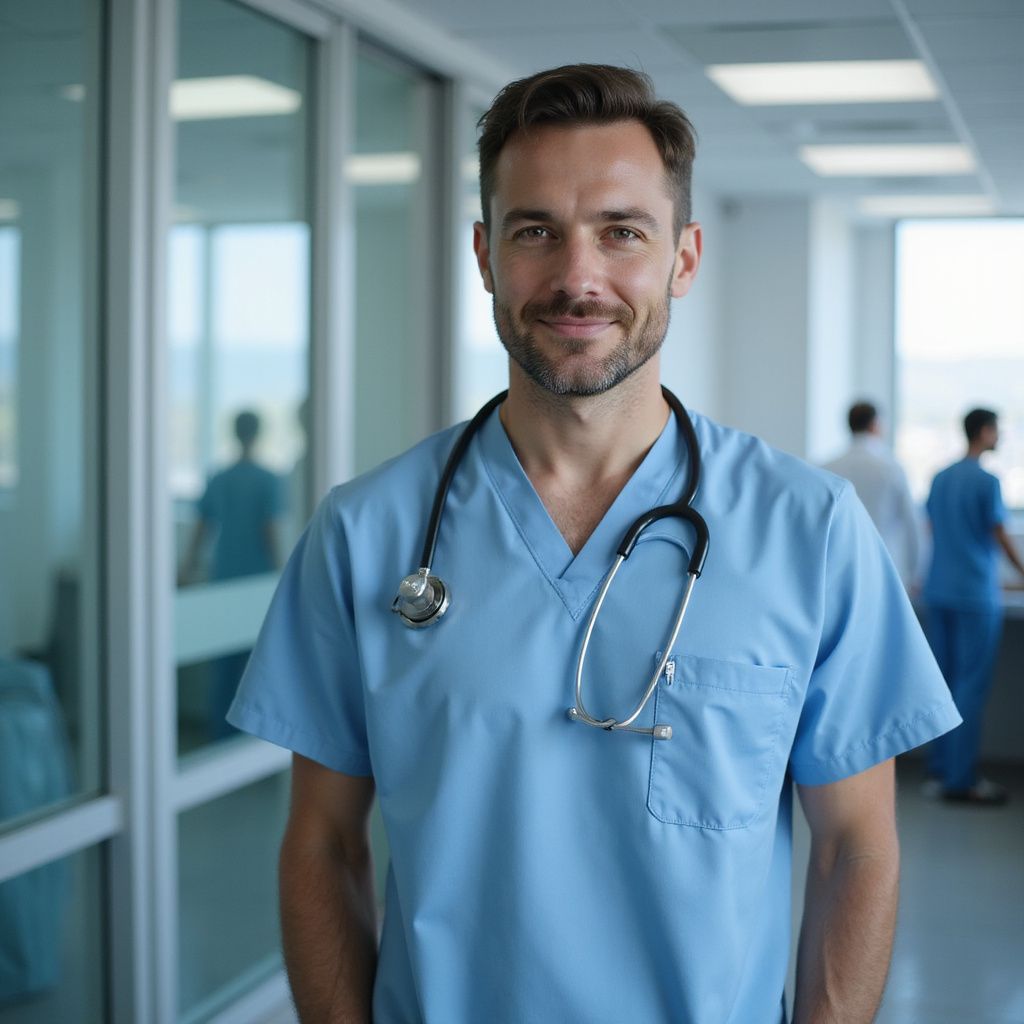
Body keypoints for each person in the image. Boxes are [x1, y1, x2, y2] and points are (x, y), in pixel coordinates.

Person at [227, 65, 960, 1023]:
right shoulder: (366, 535)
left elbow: (855, 847)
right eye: (537, 232)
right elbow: (322, 844)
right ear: (486, 255)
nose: (579, 278)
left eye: (622, 231)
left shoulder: (810, 533)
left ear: (684, 258)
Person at [924, 408, 1024, 805]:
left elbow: (933, 528)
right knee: (970, 685)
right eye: (997, 430)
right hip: (975, 596)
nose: (999, 436)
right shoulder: (987, 481)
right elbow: (999, 533)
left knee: (942, 685)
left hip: (939, 590)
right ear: (984, 432)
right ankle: (960, 780)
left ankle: (940, 770)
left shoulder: (940, 477)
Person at [180, 409, 283, 738]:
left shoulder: (220, 478)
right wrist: (282, 572)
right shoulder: (268, 480)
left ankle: (220, 737)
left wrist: (187, 566)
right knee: (255, 665)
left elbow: (202, 527)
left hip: (224, 576)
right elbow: (270, 531)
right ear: (258, 434)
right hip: (255, 577)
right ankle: (247, 742)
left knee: (223, 667)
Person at [823, 400, 920, 585]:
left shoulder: (826, 468)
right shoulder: (891, 469)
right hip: (884, 566)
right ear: (875, 425)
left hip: (837, 567)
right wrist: (915, 572)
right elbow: (912, 524)